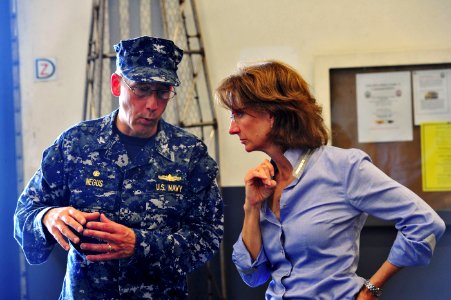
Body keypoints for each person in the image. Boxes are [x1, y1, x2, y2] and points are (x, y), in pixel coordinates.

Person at [14, 36, 224, 299]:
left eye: (163, 91)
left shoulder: (189, 154)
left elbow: (208, 235)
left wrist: (140, 244)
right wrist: (47, 217)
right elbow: (25, 214)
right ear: (117, 84)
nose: (152, 104)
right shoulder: (76, 144)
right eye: (142, 89)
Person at [215, 60, 446, 299]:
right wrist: (251, 206)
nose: (232, 129)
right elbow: (253, 275)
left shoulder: (344, 168)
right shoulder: (265, 181)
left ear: (273, 114)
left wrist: (371, 290)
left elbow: (425, 223)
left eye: (239, 114)